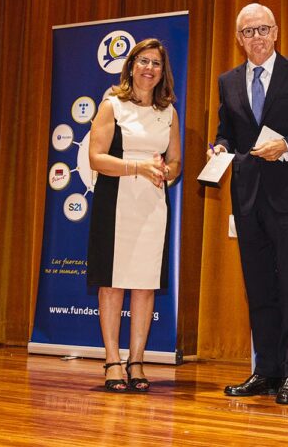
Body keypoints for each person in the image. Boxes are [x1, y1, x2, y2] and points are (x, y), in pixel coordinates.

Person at [210, 3, 288, 405]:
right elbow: (226, 132)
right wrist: (220, 147)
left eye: (263, 29)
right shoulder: (227, 81)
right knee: (260, 288)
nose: (256, 38)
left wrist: (287, 145)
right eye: (248, 32)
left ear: (276, 31)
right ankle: (265, 371)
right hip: (247, 199)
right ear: (239, 39)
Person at [87, 38, 181, 393]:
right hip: (115, 202)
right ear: (131, 66)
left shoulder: (168, 112)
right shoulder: (112, 105)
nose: (148, 68)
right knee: (112, 284)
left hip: (153, 206)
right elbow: (96, 158)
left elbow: (175, 161)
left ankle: (137, 360)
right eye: (142, 61)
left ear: (162, 72)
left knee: (144, 285)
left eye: (155, 63)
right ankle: (112, 360)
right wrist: (138, 166)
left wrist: (167, 172)